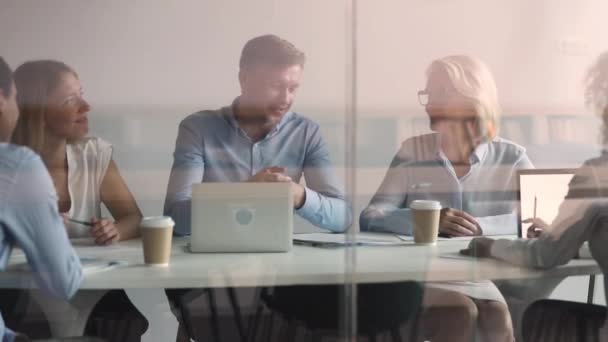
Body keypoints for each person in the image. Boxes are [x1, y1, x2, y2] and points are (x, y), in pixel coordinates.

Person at [163, 34, 353, 341]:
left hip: (279, 282)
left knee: (334, 317)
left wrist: (300, 196)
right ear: (244, 78)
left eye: (293, 88)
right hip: (210, 282)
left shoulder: (306, 133)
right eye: (275, 86)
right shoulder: (198, 129)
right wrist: (246, 191)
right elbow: (175, 218)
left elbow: (342, 217)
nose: (286, 98)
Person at [360, 55, 533, 341]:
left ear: (471, 99)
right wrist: (426, 222)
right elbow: (370, 216)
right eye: (427, 94)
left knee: (496, 316)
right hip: (418, 274)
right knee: (458, 312)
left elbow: (533, 218)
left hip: (475, 274)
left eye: (439, 94)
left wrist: (480, 227)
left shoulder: (512, 158)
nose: (428, 103)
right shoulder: (412, 151)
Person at [462, 51, 608, 342]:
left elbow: (544, 254)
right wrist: (573, 236)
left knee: (539, 313)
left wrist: (491, 246)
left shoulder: (597, 176)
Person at [11, 60, 147, 341]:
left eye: (81, 93)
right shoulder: (7, 168)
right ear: (37, 112)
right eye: (71, 99)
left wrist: (115, 229)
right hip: (24, 292)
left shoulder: (93, 155)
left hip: (93, 287)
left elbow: (134, 218)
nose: (86, 107)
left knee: (124, 324)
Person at [0, 56, 83, 341]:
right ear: (1, 99)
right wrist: (51, 229)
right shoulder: (16, 164)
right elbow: (63, 282)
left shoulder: (93, 154)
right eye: (16, 98)